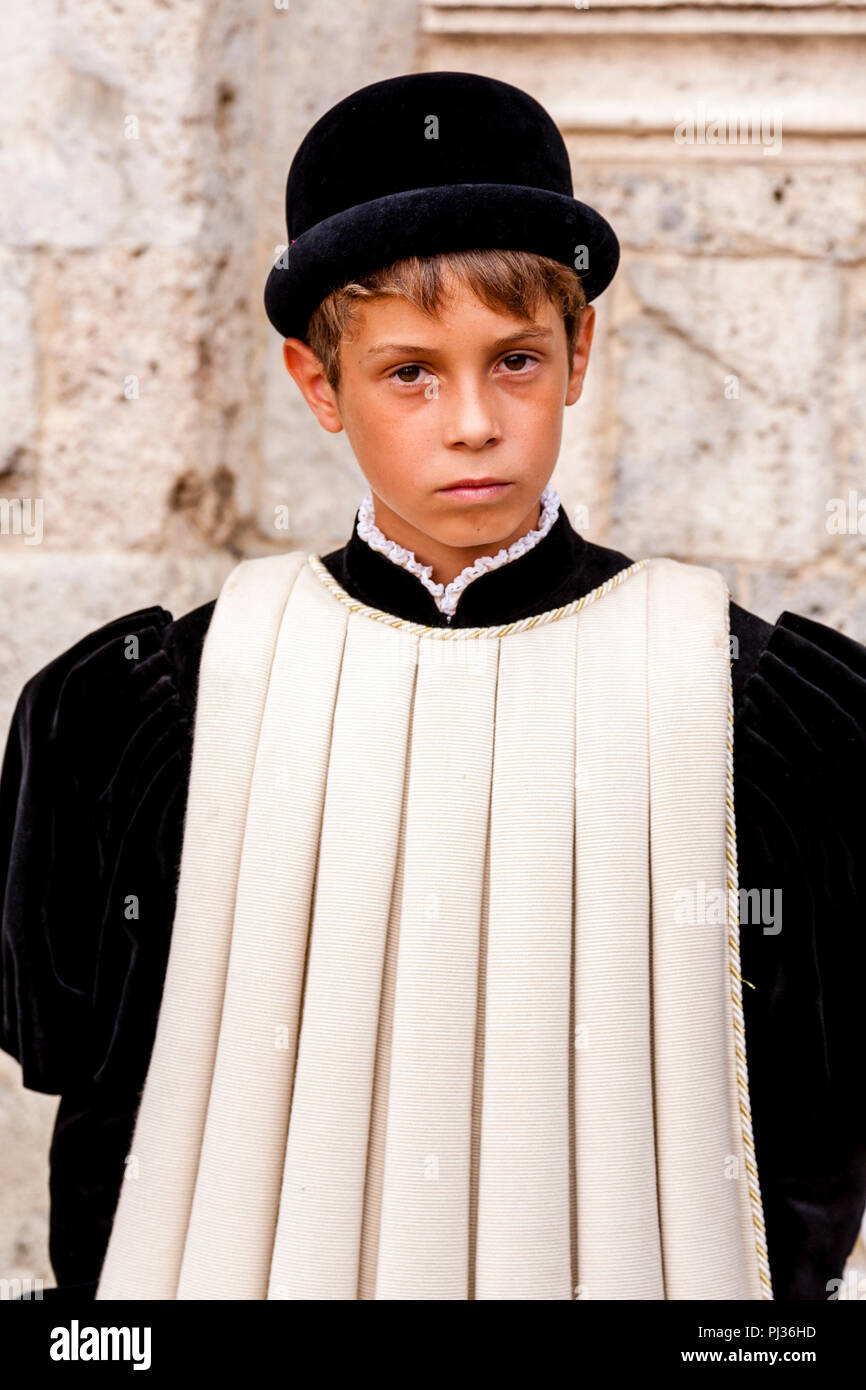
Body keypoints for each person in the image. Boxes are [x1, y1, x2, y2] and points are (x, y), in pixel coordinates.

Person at [1, 71, 864, 1302]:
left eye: (513, 359)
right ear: (318, 385)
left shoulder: (754, 704)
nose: (472, 422)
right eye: (409, 373)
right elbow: (109, 1128)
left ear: (578, 353)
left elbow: (805, 1136)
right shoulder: (158, 706)